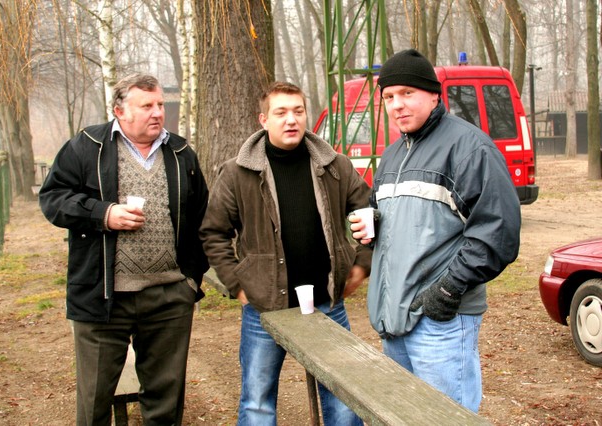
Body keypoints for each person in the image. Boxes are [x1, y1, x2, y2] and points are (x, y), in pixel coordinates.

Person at [349, 49, 521, 412]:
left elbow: (498, 231)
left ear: (433, 94)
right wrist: (373, 220)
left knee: (445, 418)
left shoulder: (469, 148)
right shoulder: (394, 155)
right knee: (405, 416)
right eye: (389, 97)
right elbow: (402, 220)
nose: (397, 105)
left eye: (407, 93)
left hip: (440, 319)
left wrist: (448, 288)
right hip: (394, 319)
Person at [39, 73, 209, 425]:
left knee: (165, 400)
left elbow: (203, 219)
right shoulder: (86, 147)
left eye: (160, 104)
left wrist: (190, 280)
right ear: (120, 111)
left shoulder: (180, 153)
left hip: (168, 297)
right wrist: (104, 213)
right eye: (146, 106)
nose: (157, 113)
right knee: (95, 400)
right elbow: (53, 199)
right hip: (103, 297)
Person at [200, 81, 371, 426]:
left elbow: (367, 211)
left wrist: (362, 264)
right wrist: (238, 284)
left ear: (306, 115)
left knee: (343, 401)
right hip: (265, 309)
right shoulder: (236, 173)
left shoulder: (335, 165)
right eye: (280, 113)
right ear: (263, 119)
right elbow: (214, 233)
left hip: (327, 303)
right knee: (258, 402)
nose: (291, 120)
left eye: (298, 111)